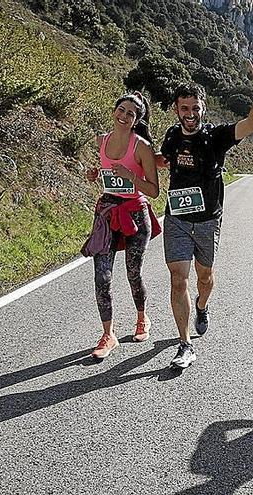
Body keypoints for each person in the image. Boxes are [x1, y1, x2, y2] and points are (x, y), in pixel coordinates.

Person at [158, 56, 253, 368]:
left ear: (202, 108)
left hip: (208, 221)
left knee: (204, 277)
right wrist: (129, 160)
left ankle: (202, 306)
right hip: (177, 218)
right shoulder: (172, 136)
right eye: (184, 108)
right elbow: (162, 161)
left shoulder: (217, 136)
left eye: (195, 108)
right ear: (177, 110)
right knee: (178, 279)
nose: (190, 114)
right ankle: (184, 344)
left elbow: (252, 124)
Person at [83, 91, 161, 359]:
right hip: (106, 212)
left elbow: (154, 190)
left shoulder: (142, 147)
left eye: (131, 114)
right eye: (122, 110)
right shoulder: (101, 141)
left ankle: (142, 318)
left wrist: (131, 176)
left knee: (133, 273)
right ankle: (108, 334)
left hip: (135, 215)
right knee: (102, 277)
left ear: (137, 119)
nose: (124, 116)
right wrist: (95, 175)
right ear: (114, 110)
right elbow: (105, 172)